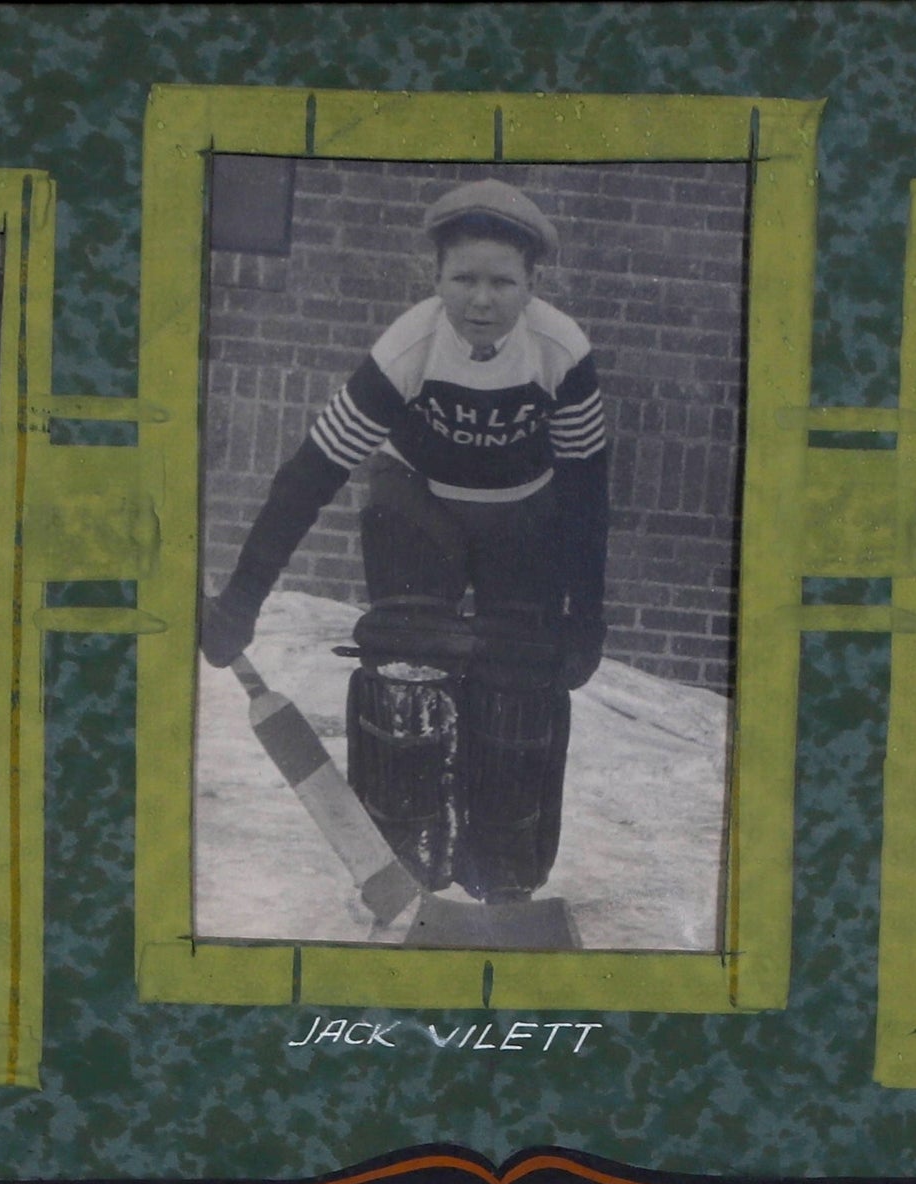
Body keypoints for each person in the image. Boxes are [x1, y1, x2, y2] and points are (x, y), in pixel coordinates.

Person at [199, 179, 611, 904]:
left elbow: (585, 490)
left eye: (502, 282)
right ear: (436, 277)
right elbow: (310, 475)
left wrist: (587, 614)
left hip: (523, 517)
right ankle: (404, 861)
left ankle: (504, 875)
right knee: (406, 666)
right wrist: (242, 599)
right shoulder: (406, 350)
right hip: (420, 507)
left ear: (532, 285)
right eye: (463, 279)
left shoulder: (561, 353)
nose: (480, 300)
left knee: (518, 682)